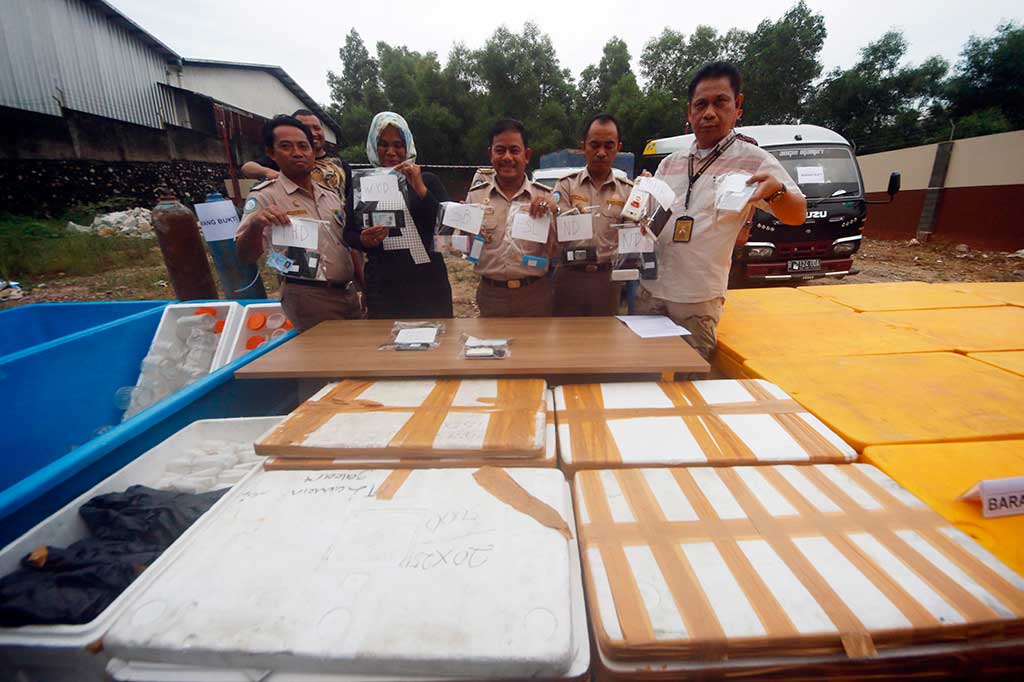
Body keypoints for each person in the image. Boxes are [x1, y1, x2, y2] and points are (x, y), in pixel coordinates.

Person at [637, 62, 806, 359]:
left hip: (696, 304)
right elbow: (650, 222)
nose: (709, 113)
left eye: (720, 102)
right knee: (645, 376)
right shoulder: (670, 163)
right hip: (650, 294)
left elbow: (797, 214)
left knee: (689, 384)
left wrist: (778, 192)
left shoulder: (754, 161)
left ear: (738, 106)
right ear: (689, 112)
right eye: (701, 105)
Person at [236, 115, 361, 332]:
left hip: (347, 294)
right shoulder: (266, 197)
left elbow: (346, 245)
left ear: (313, 152)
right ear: (271, 153)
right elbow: (245, 256)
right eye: (286, 146)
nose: (297, 152)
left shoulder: (330, 196)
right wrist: (256, 224)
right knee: (326, 361)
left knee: (357, 357)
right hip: (308, 297)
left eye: (303, 146)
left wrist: (363, 286)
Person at [343, 112, 454, 319]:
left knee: (437, 347)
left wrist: (421, 189)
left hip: (429, 286)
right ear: (373, 146)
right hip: (384, 288)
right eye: (383, 144)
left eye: (398, 144)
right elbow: (348, 233)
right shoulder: (363, 186)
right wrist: (362, 239)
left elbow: (447, 233)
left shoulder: (428, 181)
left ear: (408, 145)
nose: (391, 152)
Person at [532, 113, 635, 316]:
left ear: (618, 148)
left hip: (608, 280)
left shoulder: (629, 191)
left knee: (604, 341)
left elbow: (632, 240)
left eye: (609, 145)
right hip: (570, 277)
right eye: (594, 145)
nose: (601, 153)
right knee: (566, 342)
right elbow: (556, 237)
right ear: (583, 147)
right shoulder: (566, 185)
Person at [464, 119, 555, 317]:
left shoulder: (545, 197)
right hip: (491, 295)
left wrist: (554, 214)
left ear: (527, 155)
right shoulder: (476, 196)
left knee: (535, 348)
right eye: (500, 150)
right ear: (491, 154)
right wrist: (458, 225)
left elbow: (557, 250)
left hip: (534, 294)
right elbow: (467, 248)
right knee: (492, 346)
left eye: (514, 150)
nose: (507, 157)